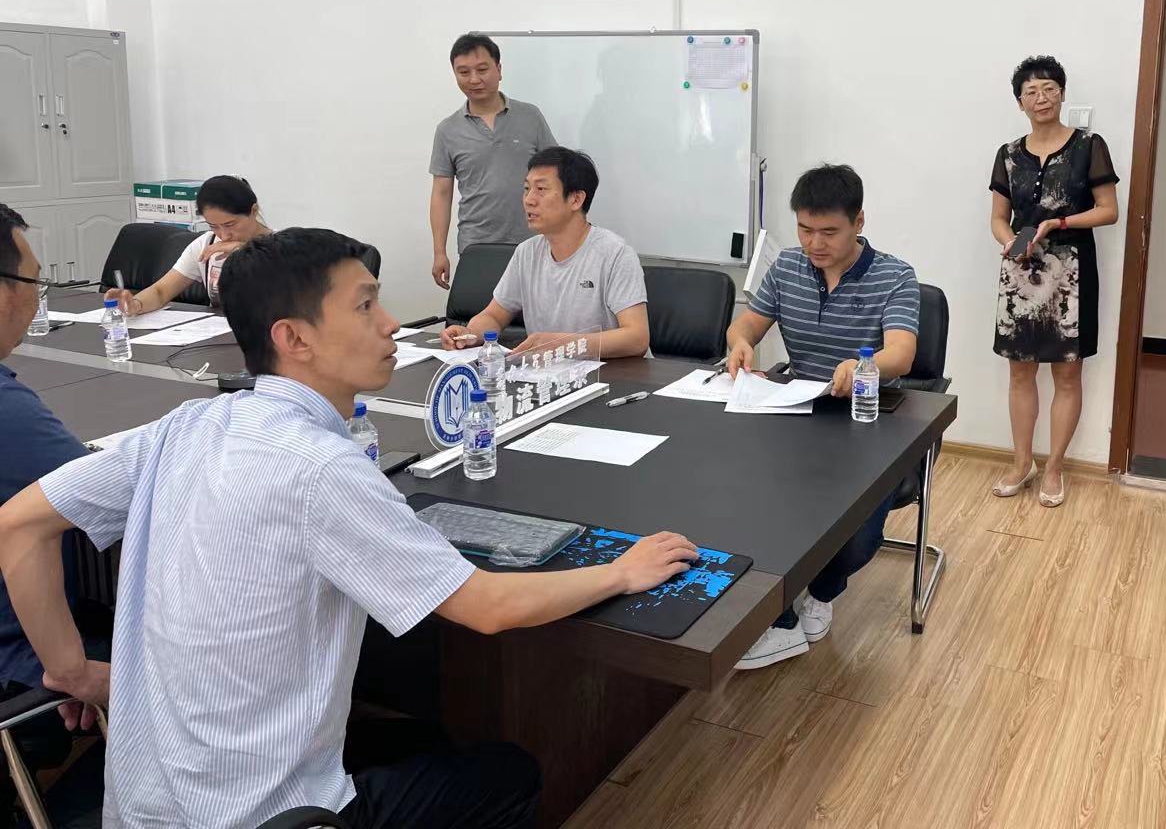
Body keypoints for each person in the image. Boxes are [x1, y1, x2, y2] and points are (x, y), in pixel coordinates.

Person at [0, 227, 697, 829]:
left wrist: (71, 671)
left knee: (408, 736)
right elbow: (489, 607)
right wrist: (620, 571)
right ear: (293, 337)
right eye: (366, 305)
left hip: (140, 806)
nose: (390, 323)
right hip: (257, 815)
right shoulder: (321, 469)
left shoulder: (185, 425)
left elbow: (17, 526)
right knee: (507, 774)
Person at [723, 165, 920, 670]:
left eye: (829, 232)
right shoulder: (788, 267)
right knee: (748, 498)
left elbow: (901, 353)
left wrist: (863, 365)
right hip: (798, 411)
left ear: (859, 222)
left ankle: (822, 591)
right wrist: (740, 343)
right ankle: (778, 618)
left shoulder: (894, 276)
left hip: (868, 420)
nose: (814, 243)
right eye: (805, 229)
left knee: (858, 536)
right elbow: (746, 325)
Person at [0, 203, 108, 827]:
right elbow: (104, 496)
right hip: (14, 660)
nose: (36, 297)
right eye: (33, 282)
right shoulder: (7, 413)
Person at [989, 55, 1119, 508]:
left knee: (1067, 372)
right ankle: (1021, 462)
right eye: (1031, 91)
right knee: (1020, 371)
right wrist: (1009, 242)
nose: (1040, 97)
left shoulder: (1088, 145)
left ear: (1062, 94)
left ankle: (1055, 467)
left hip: (1072, 273)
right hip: (1020, 271)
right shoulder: (1008, 154)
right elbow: (998, 218)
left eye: (1049, 88)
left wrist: (1058, 223)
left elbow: (1109, 210)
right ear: (1019, 102)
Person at [440, 147, 650, 359]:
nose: (529, 200)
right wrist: (470, 333)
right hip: (547, 372)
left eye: (541, 189)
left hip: (611, 373)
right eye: (526, 188)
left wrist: (561, 345)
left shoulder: (615, 254)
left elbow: (637, 338)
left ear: (576, 200)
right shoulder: (526, 253)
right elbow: (494, 315)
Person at [430, 32, 558, 289]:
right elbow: (441, 193)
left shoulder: (530, 116)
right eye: (463, 72)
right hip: (477, 244)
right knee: (481, 312)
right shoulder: (447, 130)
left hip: (532, 239)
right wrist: (439, 252)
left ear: (498, 69)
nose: (474, 79)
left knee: (535, 310)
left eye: (482, 69)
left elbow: (556, 173)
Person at [105, 174, 269, 313]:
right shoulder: (207, 244)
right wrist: (135, 304)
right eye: (213, 226)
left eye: (230, 224)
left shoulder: (279, 246)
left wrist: (246, 250)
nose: (224, 235)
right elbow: (161, 291)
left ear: (253, 211)